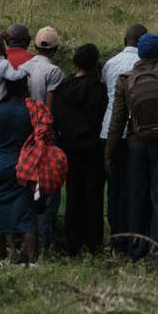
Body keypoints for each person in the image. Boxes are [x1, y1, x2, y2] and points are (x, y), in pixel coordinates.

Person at [107, 32, 158, 260]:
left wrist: (109, 151)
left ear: (139, 53)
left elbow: (118, 120)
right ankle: (157, 249)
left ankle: (135, 248)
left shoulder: (126, 79)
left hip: (137, 143)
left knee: (136, 195)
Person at [53, 44, 107, 255]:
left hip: (69, 148)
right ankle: (94, 242)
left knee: (73, 195)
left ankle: (72, 242)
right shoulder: (99, 89)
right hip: (93, 149)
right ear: (96, 64)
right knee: (93, 196)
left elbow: (56, 117)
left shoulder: (64, 88)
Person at [100, 23, 147, 254]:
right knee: (136, 188)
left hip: (108, 131)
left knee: (114, 189)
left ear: (124, 39)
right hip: (136, 133)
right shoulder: (146, 66)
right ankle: (135, 238)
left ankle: (115, 239)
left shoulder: (110, 63)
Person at [20, 26, 65, 251]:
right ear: (55, 49)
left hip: (25, 135)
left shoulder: (23, 68)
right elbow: (50, 108)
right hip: (44, 136)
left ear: (35, 46)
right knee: (49, 190)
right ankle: (45, 242)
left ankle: (25, 242)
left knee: (28, 190)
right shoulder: (54, 72)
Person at [0, 78, 38, 264]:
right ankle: (31, 260)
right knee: (27, 214)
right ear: (26, 88)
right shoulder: (31, 111)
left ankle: (0, 259)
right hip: (25, 165)